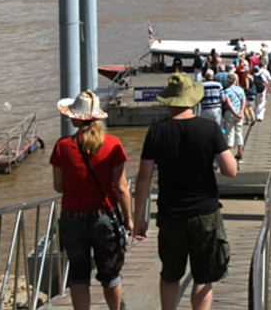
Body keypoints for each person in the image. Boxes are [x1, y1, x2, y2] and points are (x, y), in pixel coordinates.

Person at [133, 73, 237, 310]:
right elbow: (231, 171)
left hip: (170, 215)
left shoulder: (156, 132)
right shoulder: (209, 128)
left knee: (170, 275)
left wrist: (138, 218)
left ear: (169, 101)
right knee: (203, 278)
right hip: (205, 215)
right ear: (193, 99)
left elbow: (143, 179)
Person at [50, 90, 132, 310]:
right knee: (110, 273)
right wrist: (130, 219)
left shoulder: (62, 146)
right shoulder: (113, 144)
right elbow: (122, 187)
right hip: (104, 217)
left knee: (78, 275)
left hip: (72, 218)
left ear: (77, 117)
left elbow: (58, 186)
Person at [222, 72, 245, 159]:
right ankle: (240, 151)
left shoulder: (227, 91)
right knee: (239, 132)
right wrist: (241, 111)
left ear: (228, 81)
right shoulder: (240, 90)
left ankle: (230, 153)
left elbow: (228, 103)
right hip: (239, 112)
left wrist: (234, 112)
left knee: (230, 133)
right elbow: (244, 101)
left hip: (231, 113)